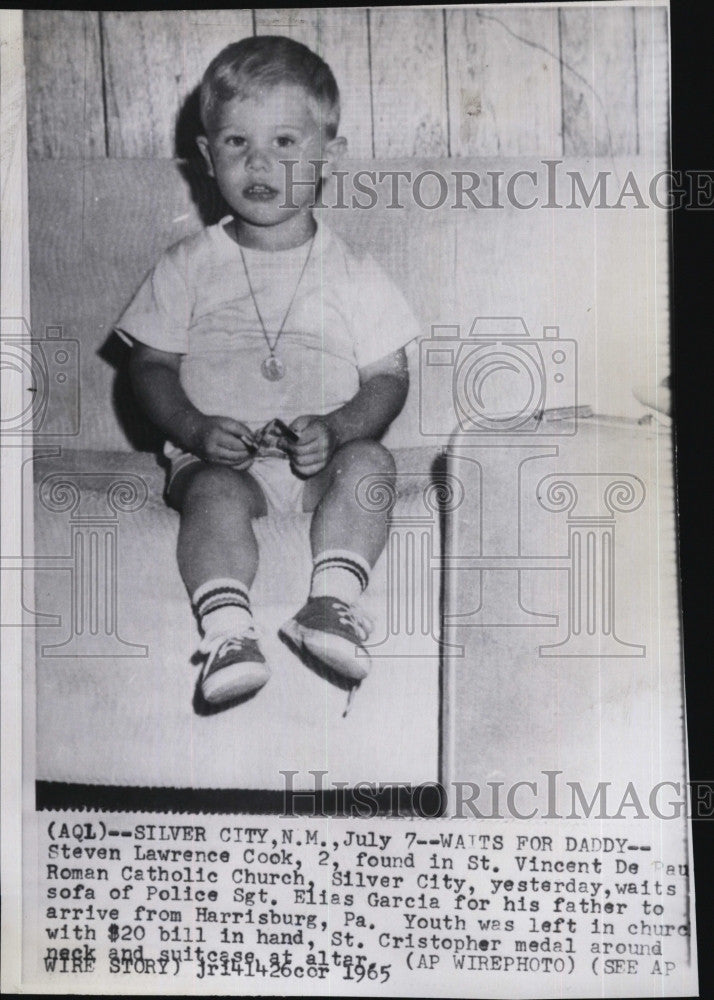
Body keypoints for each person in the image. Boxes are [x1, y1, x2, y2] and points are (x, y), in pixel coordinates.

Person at [117, 35, 419, 711]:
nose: (260, 161)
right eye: (235, 143)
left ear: (328, 158)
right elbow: (150, 365)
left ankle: (331, 605)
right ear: (206, 158)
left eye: (285, 142)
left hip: (322, 466)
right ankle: (228, 632)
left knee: (373, 466)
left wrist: (342, 429)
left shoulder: (355, 271)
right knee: (215, 496)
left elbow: (388, 377)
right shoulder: (187, 263)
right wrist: (192, 428)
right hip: (222, 462)